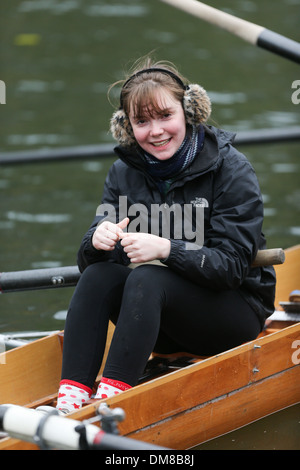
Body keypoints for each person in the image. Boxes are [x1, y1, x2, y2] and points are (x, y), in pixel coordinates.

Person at [55, 57, 276, 413]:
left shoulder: (233, 169)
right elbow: (91, 265)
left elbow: (233, 268)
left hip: (234, 315)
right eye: (142, 121)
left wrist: (167, 249)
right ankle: (72, 399)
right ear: (127, 126)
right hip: (161, 322)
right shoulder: (123, 173)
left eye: (165, 116)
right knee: (98, 274)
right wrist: (96, 242)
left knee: (147, 276)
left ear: (189, 112)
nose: (155, 131)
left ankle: (113, 403)